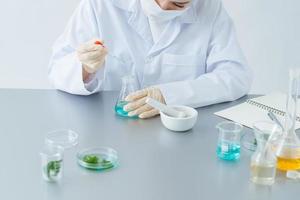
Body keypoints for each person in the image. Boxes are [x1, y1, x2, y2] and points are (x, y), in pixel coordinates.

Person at [48, 0, 253, 119]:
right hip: (109, 127)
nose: (166, 5)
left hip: (178, 135)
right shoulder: (101, 5)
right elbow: (57, 68)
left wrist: (170, 96)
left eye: (179, 2)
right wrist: (85, 68)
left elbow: (235, 76)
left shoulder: (209, 8)